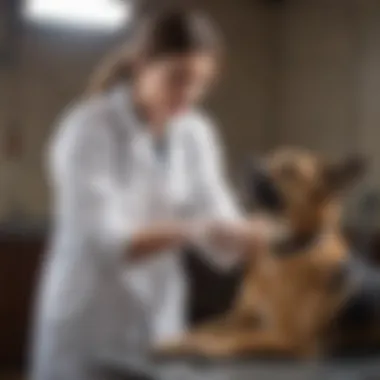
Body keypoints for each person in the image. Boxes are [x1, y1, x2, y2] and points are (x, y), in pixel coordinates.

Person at [29, 9, 269, 380]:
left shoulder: (196, 133)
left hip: (160, 323)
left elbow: (219, 224)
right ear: (142, 65)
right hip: (90, 326)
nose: (189, 95)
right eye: (177, 79)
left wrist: (256, 236)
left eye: (201, 83)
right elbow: (108, 244)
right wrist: (197, 230)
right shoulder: (88, 128)